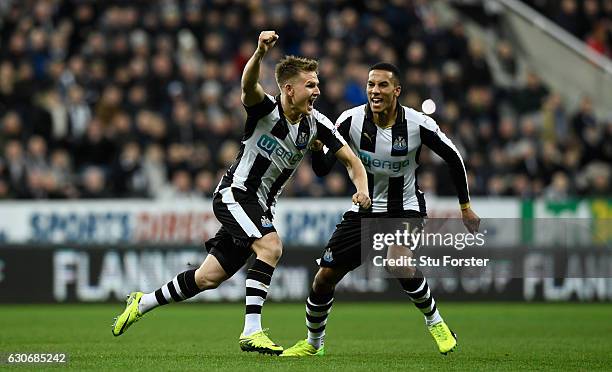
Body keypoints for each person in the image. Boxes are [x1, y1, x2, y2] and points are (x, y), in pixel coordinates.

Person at [111, 31, 372, 356]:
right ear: (289, 89)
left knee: (208, 277)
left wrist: (361, 188)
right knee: (271, 245)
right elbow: (248, 86)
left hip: (259, 206)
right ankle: (251, 331)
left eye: (318, 84)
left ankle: (143, 302)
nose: (317, 90)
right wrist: (260, 53)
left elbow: (351, 160)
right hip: (235, 195)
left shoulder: (316, 124)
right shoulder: (265, 111)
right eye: (311, 85)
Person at [281, 62, 480, 356]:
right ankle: (313, 344)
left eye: (383, 85)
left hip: (406, 208)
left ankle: (436, 323)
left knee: (397, 262)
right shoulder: (350, 120)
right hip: (364, 210)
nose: (375, 90)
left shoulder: (417, 124)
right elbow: (324, 168)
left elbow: (453, 158)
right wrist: (315, 147)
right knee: (324, 277)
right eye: (371, 85)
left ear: (396, 90)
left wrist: (465, 207)